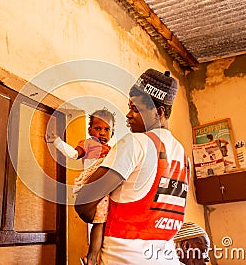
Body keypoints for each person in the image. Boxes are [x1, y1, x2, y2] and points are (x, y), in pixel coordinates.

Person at [75, 68, 190, 264]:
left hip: (125, 257)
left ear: (158, 112)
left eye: (136, 109)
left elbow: (84, 203)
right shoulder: (183, 154)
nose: (128, 115)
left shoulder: (135, 143)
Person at [45, 108, 116, 265]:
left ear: (112, 133)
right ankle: (91, 259)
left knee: (101, 222)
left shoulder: (112, 150)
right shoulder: (87, 143)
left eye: (107, 129)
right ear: (90, 130)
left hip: (104, 187)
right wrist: (57, 141)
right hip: (92, 184)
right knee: (99, 223)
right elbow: (73, 154)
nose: (102, 133)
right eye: (97, 128)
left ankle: (92, 257)